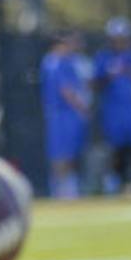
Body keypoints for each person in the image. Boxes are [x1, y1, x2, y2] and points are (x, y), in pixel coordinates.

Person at [93, 16, 131, 194]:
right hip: (112, 109)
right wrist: (110, 75)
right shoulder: (103, 58)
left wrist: (128, 71)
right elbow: (96, 84)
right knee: (114, 147)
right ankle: (113, 182)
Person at [41, 30, 90, 198]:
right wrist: (82, 108)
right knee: (60, 152)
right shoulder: (54, 63)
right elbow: (66, 91)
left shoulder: (68, 62)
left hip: (69, 114)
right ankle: (59, 188)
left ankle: (68, 185)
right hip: (61, 114)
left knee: (71, 151)